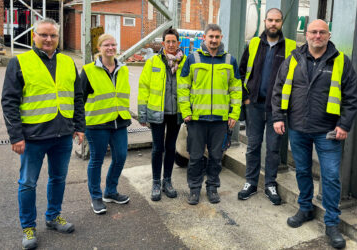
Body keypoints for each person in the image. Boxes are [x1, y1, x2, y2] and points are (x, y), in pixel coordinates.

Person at [272, 19, 357, 249]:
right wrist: (279, 117)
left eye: (322, 32)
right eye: (313, 32)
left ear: (328, 35)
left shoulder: (341, 61)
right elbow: (279, 88)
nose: (317, 36)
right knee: (301, 171)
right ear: (306, 34)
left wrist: (344, 125)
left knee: (330, 176)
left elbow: (352, 97)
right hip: (298, 127)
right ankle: (305, 208)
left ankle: (331, 223)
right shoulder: (294, 58)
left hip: (329, 130)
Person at [1, 18, 85, 250]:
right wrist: (15, 136)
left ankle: (53, 217)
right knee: (28, 183)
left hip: (62, 135)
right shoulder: (19, 62)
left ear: (58, 38)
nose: (49, 39)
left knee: (58, 179)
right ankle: (28, 227)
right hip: (33, 137)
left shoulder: (68, 62)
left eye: (53, 36)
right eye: (44, 35)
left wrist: (79, 126)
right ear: (34, 36)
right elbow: (9, 101)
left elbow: (77, 97)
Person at [237, 8, 296, 205]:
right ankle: (251, 183)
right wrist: (246, 98)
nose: (273, 24)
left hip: (276, 110)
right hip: (253, 105)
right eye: (270, 20)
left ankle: (270, 183)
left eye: (277, 21)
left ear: (281, 23)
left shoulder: (291, 48)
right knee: (252, 146)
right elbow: (241, 72)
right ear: (264, 21)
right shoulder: (254, 44)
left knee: (273, 149)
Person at [178, 24, 242, 205]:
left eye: (217, 37)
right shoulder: (192, 58)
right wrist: (186, 111)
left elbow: (236, 90)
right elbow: (183, 88)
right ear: (204, 38)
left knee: (216, 157)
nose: (214, 40)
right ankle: (194, 189)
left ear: (221, 38)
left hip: (220, 121)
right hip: (197, 119)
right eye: (210, 37)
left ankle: (212, 187)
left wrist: (234, 114)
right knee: (195, 157)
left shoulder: (230, 60)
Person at [80, 34, 131, 215]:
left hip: (119, 121)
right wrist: (78, 125)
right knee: (97, 160)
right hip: (97, 124)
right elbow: (79, 99)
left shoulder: (123, 69)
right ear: (99, 48)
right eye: (106, 45)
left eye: (113, 44)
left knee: (121, 156)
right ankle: (96, 196)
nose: (110, 48)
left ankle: (110, 191)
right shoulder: (88, 70)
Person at [138, 28, 186, 201]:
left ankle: (167, 181)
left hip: (176, 113)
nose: (171, 45)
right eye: (168, 42)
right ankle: (156, 182)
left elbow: (190, 88)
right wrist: (142, 114)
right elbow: (144, 88)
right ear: (163, 43)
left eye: (174, 41)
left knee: (171, 147)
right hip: (157, 112)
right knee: (158, 148)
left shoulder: (185, 62)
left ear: (179, 43)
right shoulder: (153, 62)